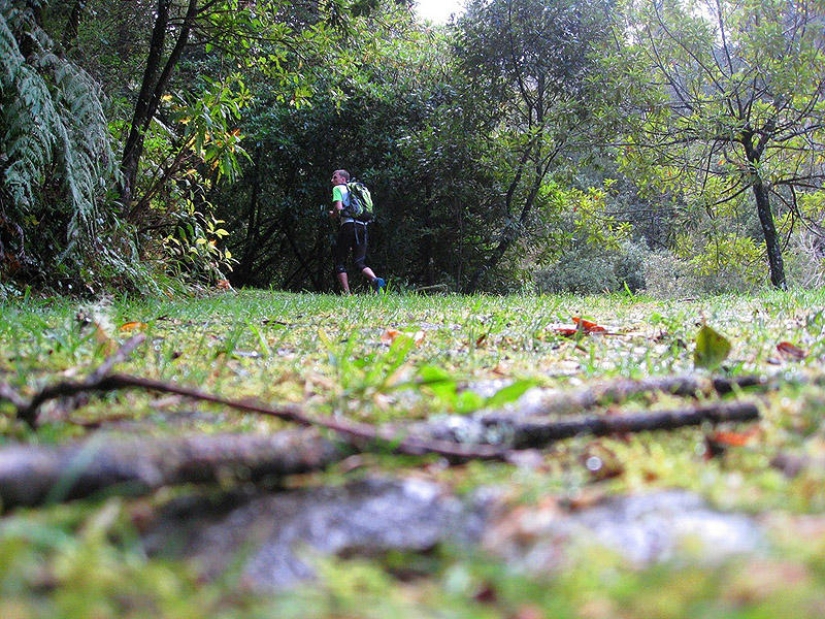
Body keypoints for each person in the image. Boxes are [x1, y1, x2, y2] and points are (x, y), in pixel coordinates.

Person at [329, 169, 385, 294]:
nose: (332, 180)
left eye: (335, 177)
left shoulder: (337, 189)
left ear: (343, 179)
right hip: (363, 227)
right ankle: (375, 280)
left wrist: (334, 213)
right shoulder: (356, 190)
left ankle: (347, 293)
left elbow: (339, 208)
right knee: (359, 262)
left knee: (340, 261)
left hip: (348, 226)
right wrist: (334, 212)